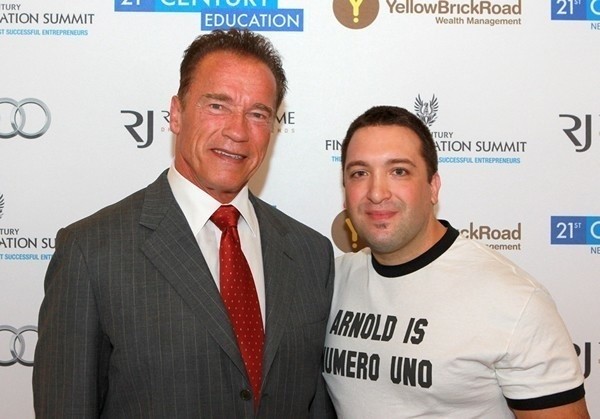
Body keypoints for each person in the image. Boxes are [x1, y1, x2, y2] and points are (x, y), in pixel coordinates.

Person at [33, 29, 335, 418]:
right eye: (218, 106)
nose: (237, 131)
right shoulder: (91, 252)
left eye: (258, 114)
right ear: (176, 114)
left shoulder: (311, 253)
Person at [322, 105, 589, 418]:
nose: (377, 193)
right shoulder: (328, 281)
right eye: (359, 173)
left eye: (399, 171)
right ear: (345, 192)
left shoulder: (515, 301)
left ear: (433, 187)